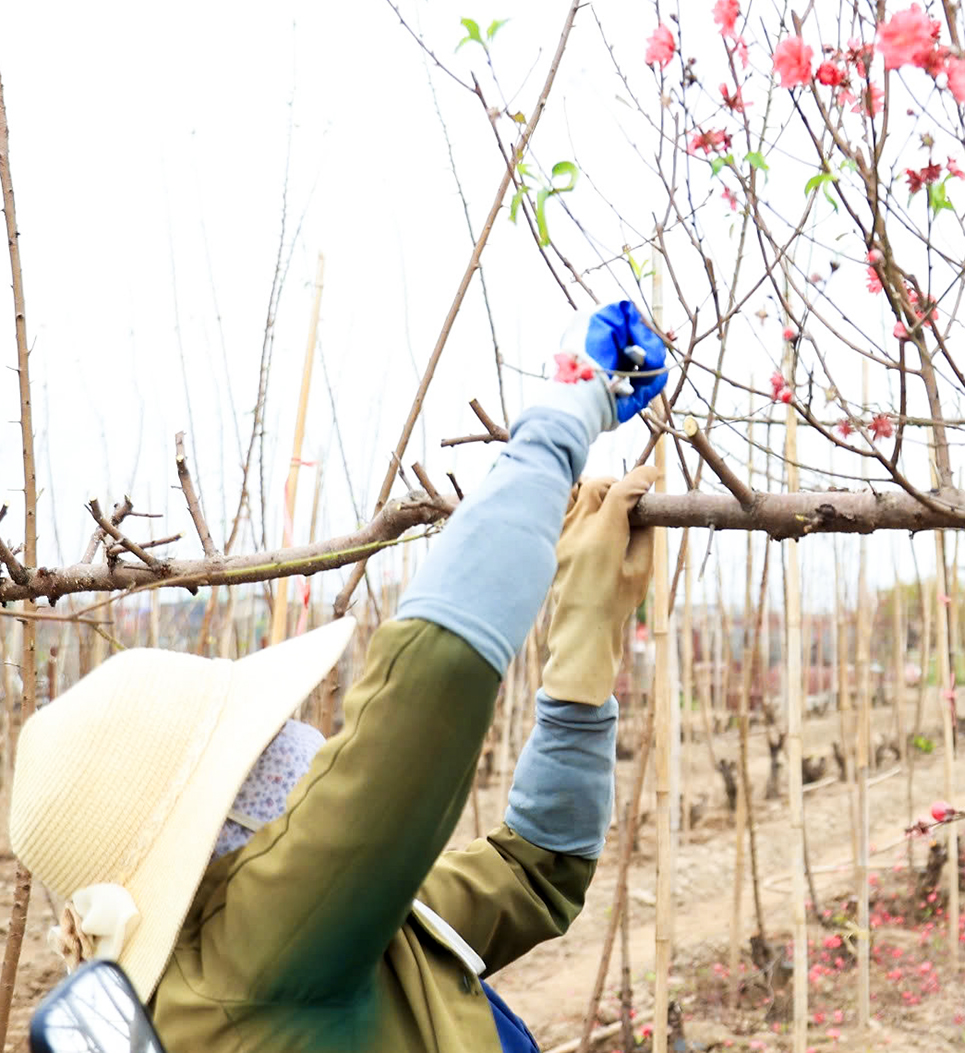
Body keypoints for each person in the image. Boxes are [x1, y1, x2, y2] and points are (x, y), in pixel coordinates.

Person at [8, 300, 670, 1051]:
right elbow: (431, 682)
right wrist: (561, 417)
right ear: (219, 815)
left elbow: (536, 870)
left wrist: (587, 628)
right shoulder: (257, 950)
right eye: (259, 748)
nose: (294, 744)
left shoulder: (342, 922)